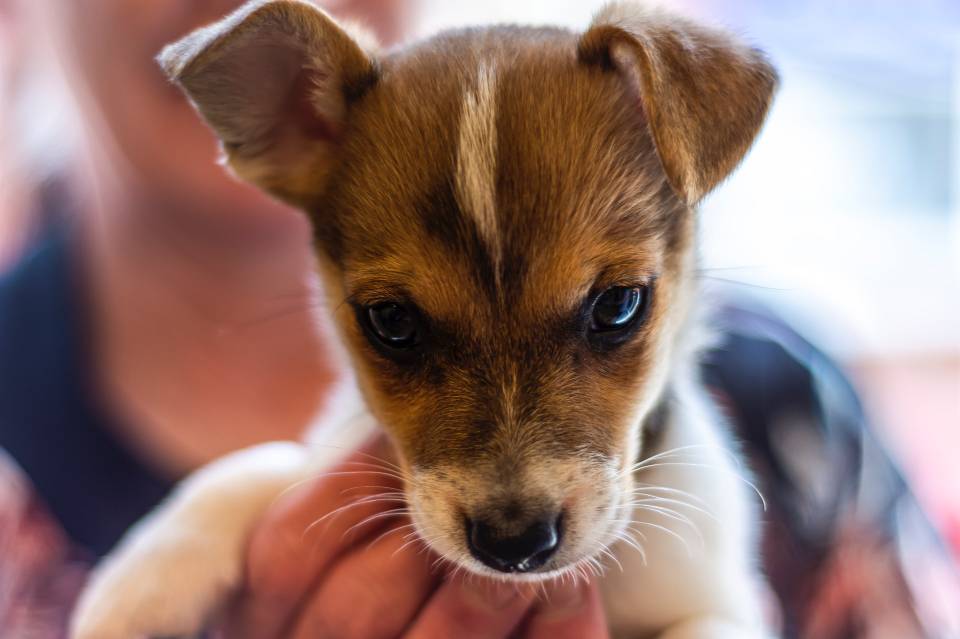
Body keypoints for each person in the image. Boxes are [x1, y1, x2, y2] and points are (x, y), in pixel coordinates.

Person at [0, 1, 954, 637]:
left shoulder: (783, 415)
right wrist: (224, 514)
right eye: (402, 328)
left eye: (611, 310)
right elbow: (303, 490)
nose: (515, 491)